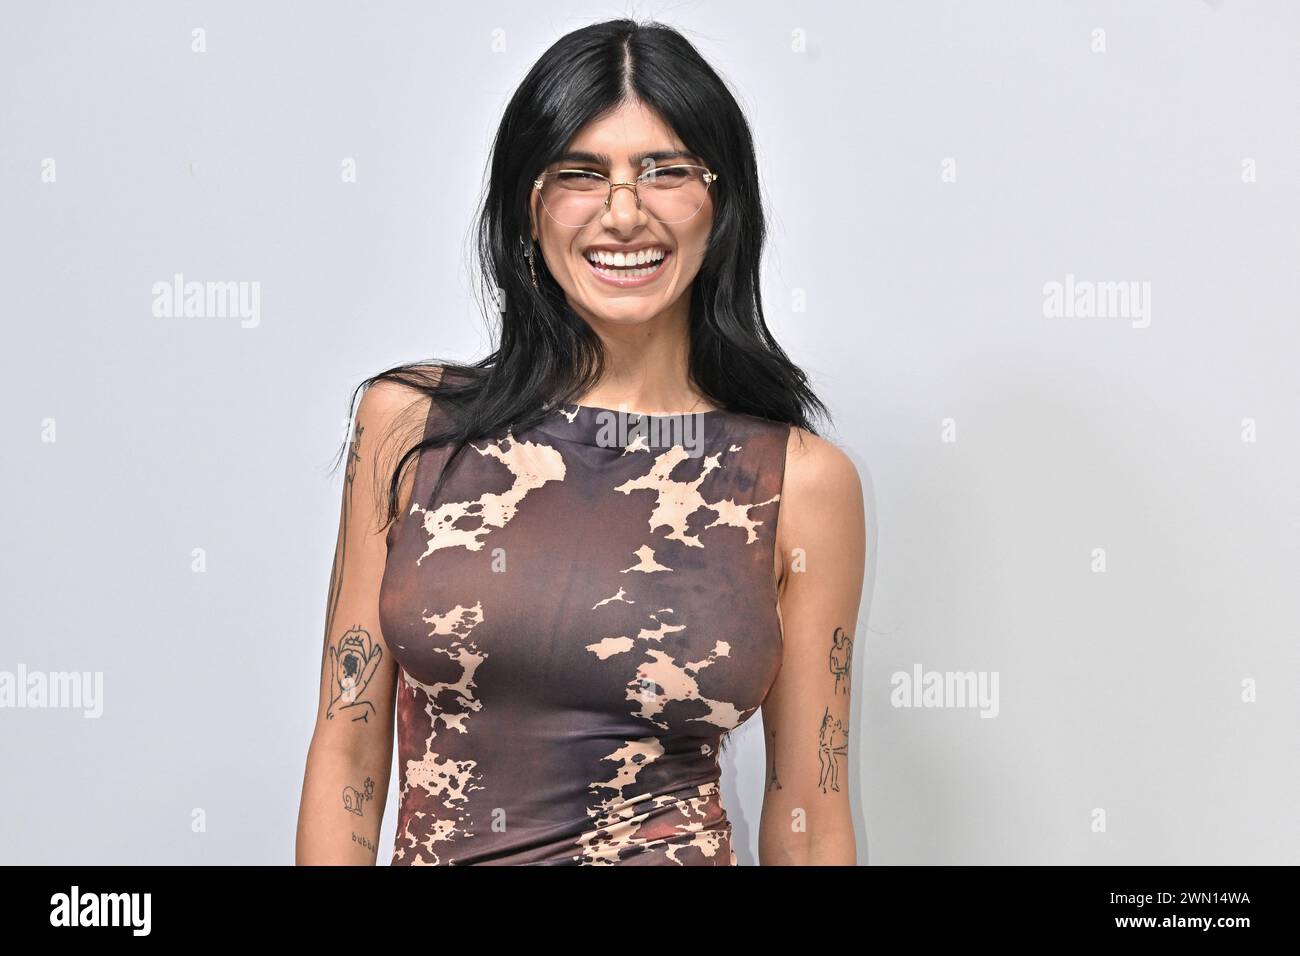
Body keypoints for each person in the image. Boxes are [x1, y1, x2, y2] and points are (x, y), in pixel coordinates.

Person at [296, 17, 865, 865]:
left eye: (665, 171)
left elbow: (808, 811)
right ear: (530, 205)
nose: (624, 214)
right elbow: (347, 748)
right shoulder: (409, 426)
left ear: (722, 201)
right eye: (581, 174)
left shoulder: (795, 481)